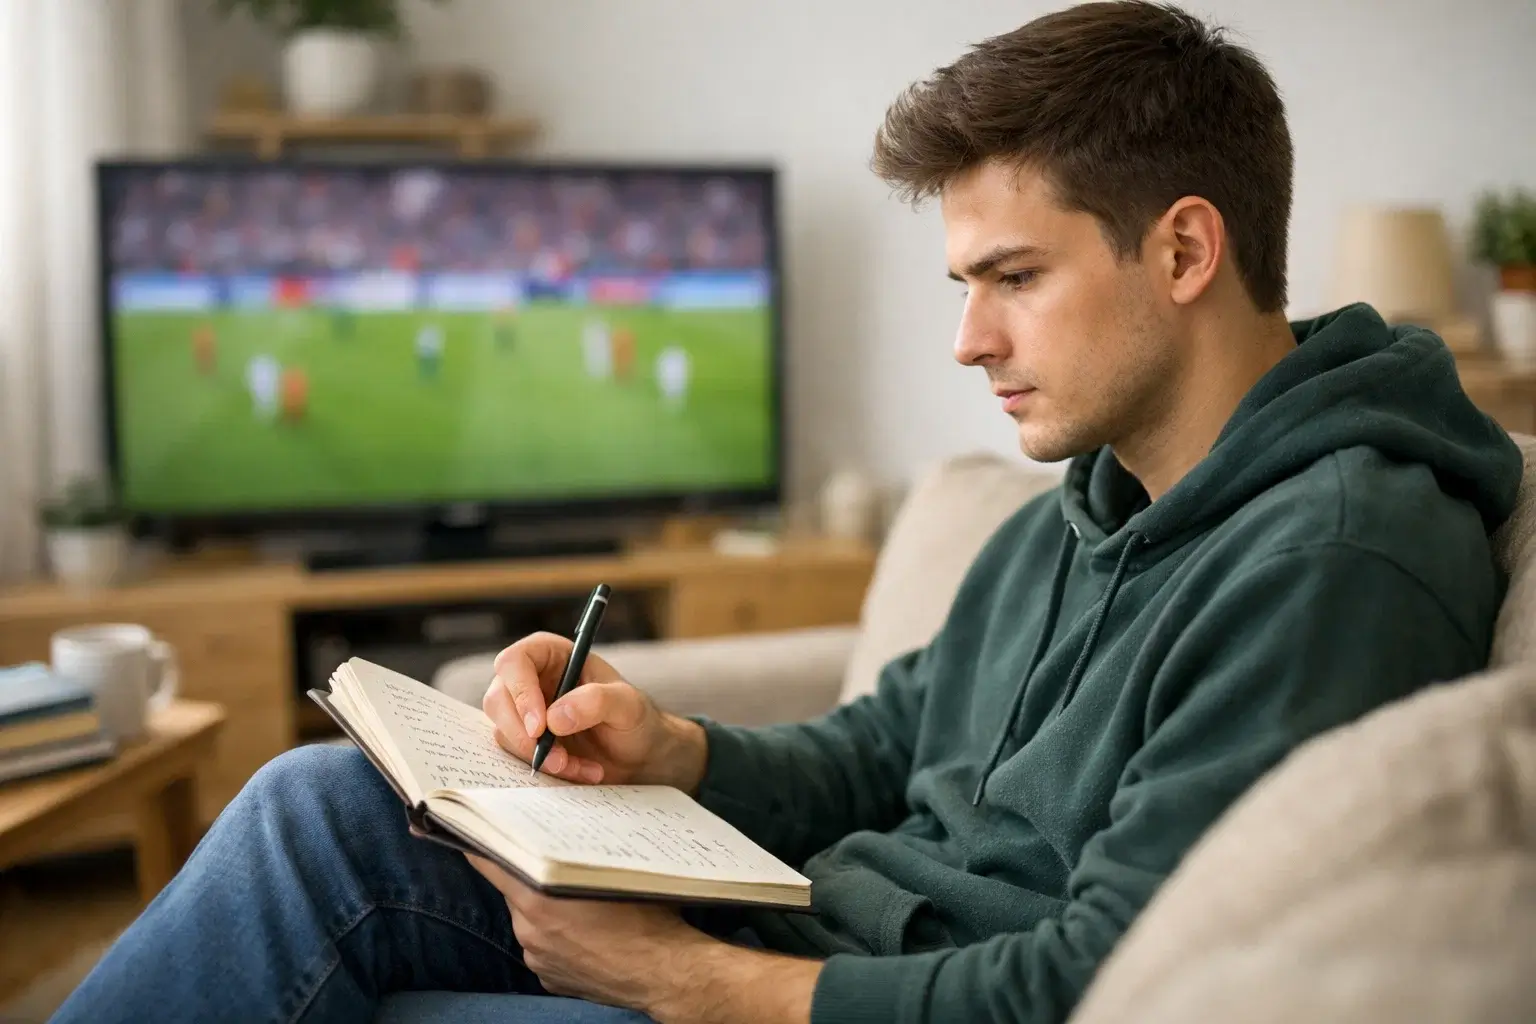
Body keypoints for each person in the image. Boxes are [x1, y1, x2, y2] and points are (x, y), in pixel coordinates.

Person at [53, 4, 1522, 1023]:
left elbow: (1098, 985)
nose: (968, 341)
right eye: (965, 288)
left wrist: (676, 980)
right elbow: (889, 745)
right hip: (785, 940)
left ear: (1186, 248)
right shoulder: (1077, 510)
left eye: (1013, 278)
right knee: (321, 804)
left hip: (802, 996)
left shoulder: (1334, 556)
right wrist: (673, 746)